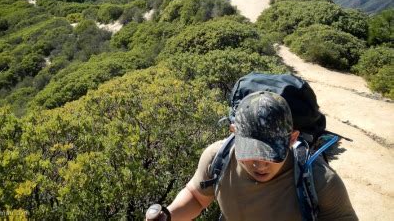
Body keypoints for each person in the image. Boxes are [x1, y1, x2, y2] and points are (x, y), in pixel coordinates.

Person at [146, 91, 358, 221]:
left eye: (270, 154)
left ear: (292, 139)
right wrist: (168, 215)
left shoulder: (320, 180)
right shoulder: (217, 158)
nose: (260, 164)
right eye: (250, 152)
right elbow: (197, 197)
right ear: (234, 133)